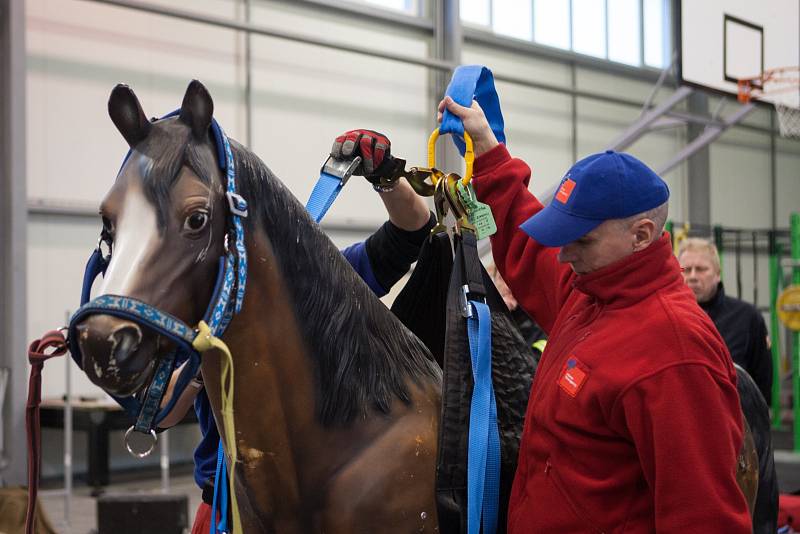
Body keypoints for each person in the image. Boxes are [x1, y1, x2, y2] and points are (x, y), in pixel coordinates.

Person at [437, 95, 751, 532]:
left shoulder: (675, 352)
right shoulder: (590, 293)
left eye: (580, 241)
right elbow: (529, 247)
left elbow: (704, 515)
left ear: (641, 235)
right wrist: (488, 148)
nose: (564, 254)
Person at [157, 129, 435, 534]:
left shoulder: (320, 283)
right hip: (230, 508)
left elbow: (412, 231)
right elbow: (161, 412)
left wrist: (386, 177)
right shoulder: (203, 312)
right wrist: (203, 363)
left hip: (329, 508)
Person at [677, 238, 773, 405]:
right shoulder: (667, 318)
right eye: (686, 269)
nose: (692, 277)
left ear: (718, 274)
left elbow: (762, 384)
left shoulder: (747, 317)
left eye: (701, 269)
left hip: (735, 425)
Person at [486, 263, 547, 360]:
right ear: (494, 281)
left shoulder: (538, 317)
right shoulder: (485, 313)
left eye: (512, 281)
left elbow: (531, 364)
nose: (507, 287)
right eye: (502, 279)